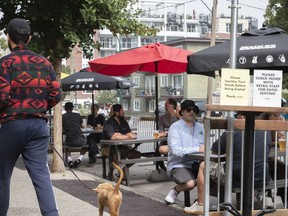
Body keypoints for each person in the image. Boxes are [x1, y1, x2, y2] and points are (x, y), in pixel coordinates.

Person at [0, 18, 61, 216]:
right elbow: (56, 95)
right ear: (30, 38)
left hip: (12, 126)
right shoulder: (44, 63)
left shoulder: (5, 63)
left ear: (8, 38)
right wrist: (39, 109)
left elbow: (2, 97)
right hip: (38, 126)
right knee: (42, 175)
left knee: (2, 176)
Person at [184, 113, 272, 214]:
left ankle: (201, 205)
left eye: (237, 117)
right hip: (262, 178)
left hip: (237, 179)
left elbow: (215, 151)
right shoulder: (266, 132)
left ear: (242, 117)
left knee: (203, 166)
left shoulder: (232, 131)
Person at [165, 100, 204, 207]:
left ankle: (200, 202)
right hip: (178, 165)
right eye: (188, 110)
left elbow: (205, 146)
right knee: (191, 183)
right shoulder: (175, 127)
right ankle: (175, 190)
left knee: (214, 178)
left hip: (196, 163)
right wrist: (197, 148)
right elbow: (176, 150)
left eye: (194, 110)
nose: (192, 112)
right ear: (182, 112)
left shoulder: (201, 127)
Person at [102, 104, 141, 178]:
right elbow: (113, 136)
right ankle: (111, 172)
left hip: (122, 147)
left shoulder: (123, 121)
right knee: (115, 155)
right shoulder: (108, 123)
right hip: (108, 148)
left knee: (137, 154)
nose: (123, 112)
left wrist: (121, 136)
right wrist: (126, 136)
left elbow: (131, 134)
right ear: (117, 113)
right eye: (122, 111)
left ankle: (122, 170)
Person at [62, 102, 87, 168]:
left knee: (65, 144)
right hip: (79, 140)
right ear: (72, 108)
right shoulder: (77, 115)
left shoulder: (63, 116)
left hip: (69, 140)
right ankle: (79, 159)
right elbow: (82, 126)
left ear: (65, 108)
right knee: (88, 143)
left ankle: (70, 160)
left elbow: (62, 128)